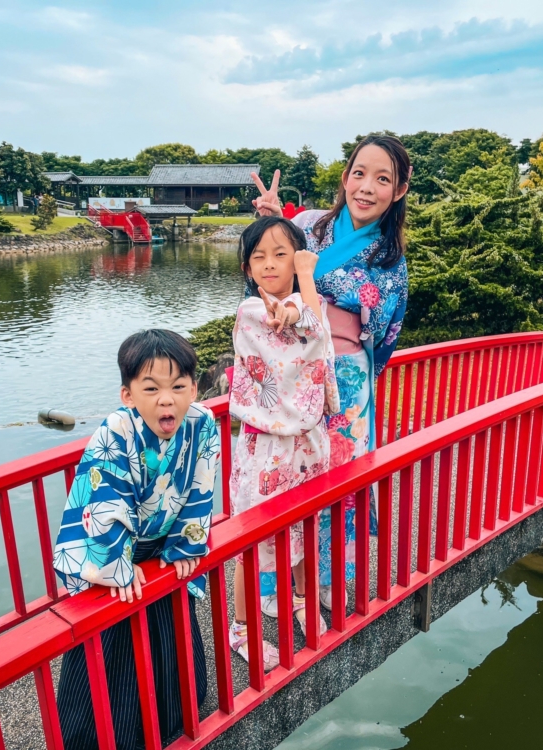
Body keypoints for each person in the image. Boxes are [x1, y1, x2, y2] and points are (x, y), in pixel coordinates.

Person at [250, 134, 411, 608]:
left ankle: (327, 581)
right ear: (345, 177)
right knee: (287, 472)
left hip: (347, 380)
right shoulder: (307, 225)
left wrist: (356, 369)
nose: (367, 187)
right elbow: (264, 269)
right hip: (293, 370)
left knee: (337, 481)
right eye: (359, 173)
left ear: (398, 191)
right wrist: (272, 223)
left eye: (382, 179)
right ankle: (279, 579)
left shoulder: (390, 259)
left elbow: (384, 336)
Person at [53, 329, 220, 750]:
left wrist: (185, 543)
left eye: (179, 386)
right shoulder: (114, 433)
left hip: (163, 548)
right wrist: (117, 566)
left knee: (170, 625)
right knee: (113, 641)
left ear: (194, 387)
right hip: (112, 551)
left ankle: (173, 720)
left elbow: (201, 488)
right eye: (152, 389)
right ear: (128, 394)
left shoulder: (202, 424)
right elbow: (104, 499)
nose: (168, 400)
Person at [227, 216, 338, 672]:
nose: (270, 264)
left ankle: (297, 599)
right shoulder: (250, 313)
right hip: (268, 446)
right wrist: (300, 298)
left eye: (281, 254)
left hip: (307, 442)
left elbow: (311, 328)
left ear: (298, 257)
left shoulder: (307, 301)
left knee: (303, 528)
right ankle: (241, 627)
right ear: (247, 268)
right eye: (259, 257)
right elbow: (306, 330)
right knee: (252, 539)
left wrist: (300, 299)